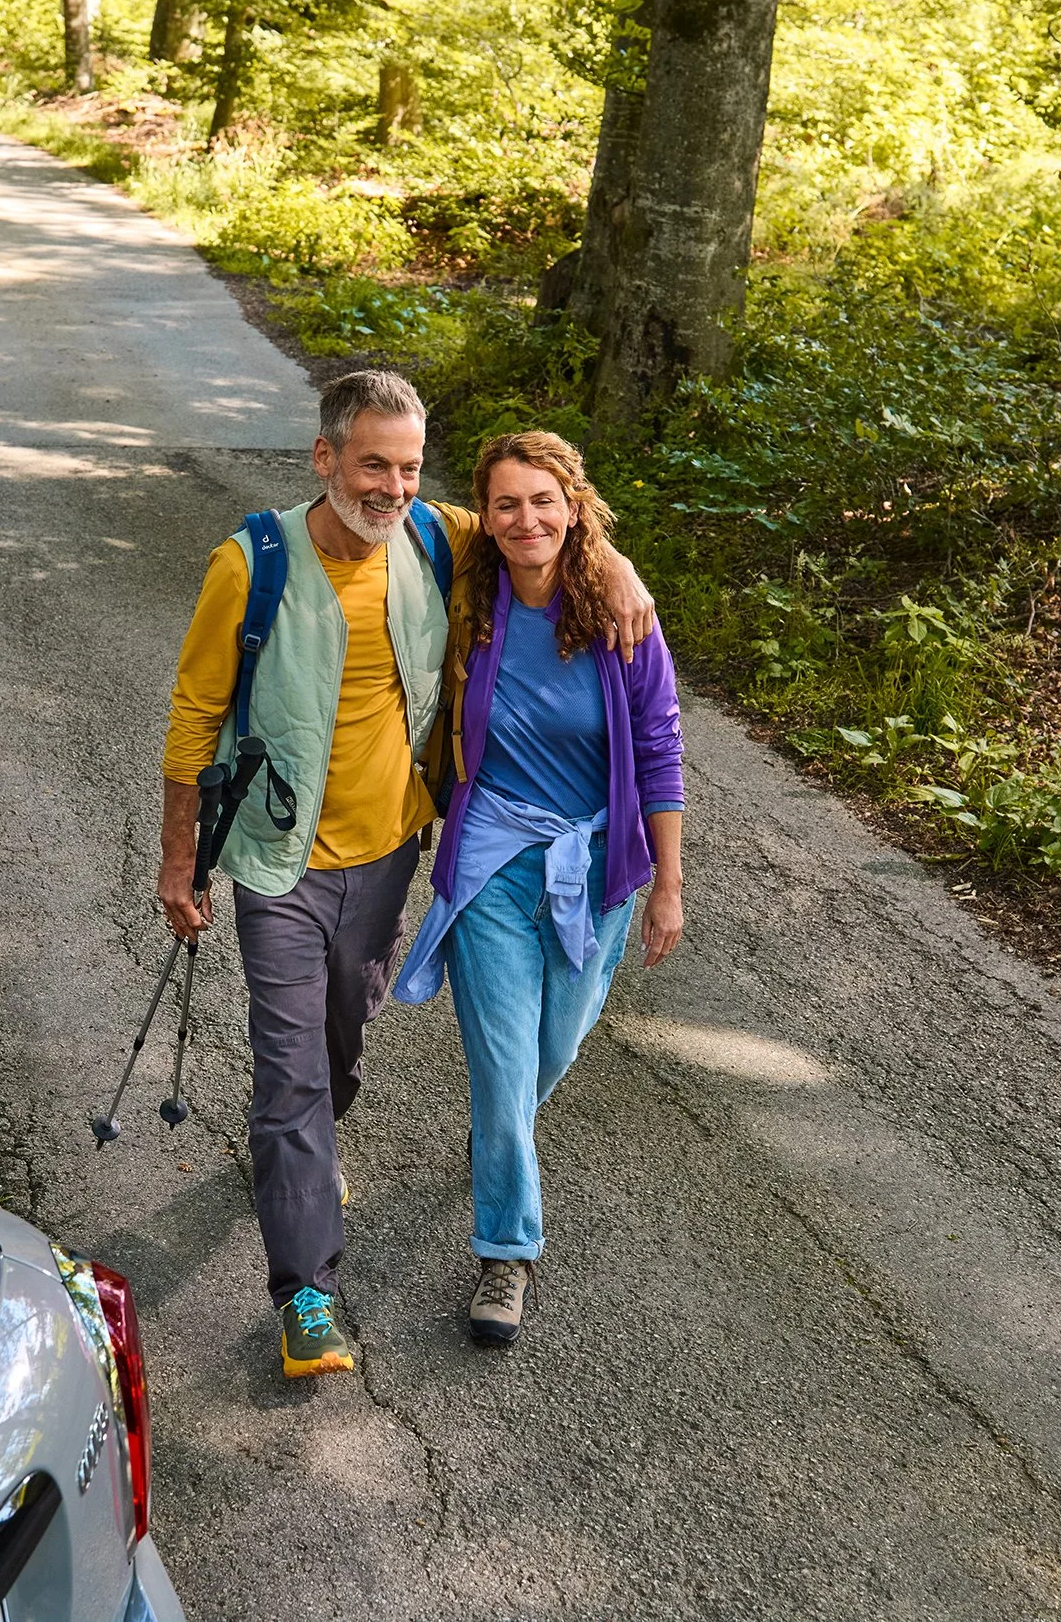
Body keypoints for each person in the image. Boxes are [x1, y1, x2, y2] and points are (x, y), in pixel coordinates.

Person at [158, 372, 656, 1380]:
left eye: (407, 465)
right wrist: (178, 860)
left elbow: (547, 522)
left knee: (342, 1038)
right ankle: (304, 1292)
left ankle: (310, 1151)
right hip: (276, 860)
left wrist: (627, 571)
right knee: (288, 1070)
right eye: (372, 462)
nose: (389, 484)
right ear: (326, 457)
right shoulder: (250, 563)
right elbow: (192, 717)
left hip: (390, 853)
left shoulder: (435, 537)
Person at [391, 430, 685, 1347]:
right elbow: (372, 524)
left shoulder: (621, 615)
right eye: (506, 503)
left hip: (595, 869)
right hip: (490, 859)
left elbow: (660, 750)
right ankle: (506, 1251)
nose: (527, 519)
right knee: (505, 1058)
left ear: (573, 505)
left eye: (544, 501)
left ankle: (497, 1138)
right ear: (486, 512)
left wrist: (667, 882)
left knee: (553, 1047)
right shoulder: (464, 591)